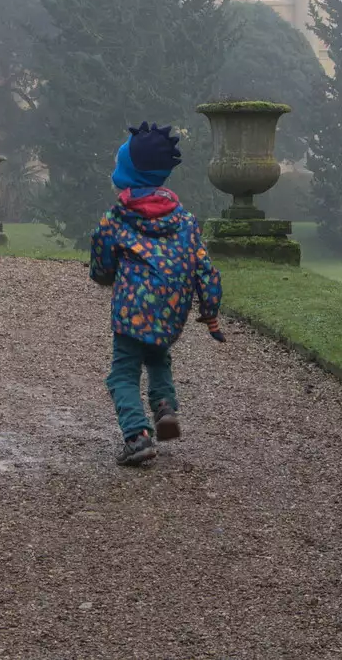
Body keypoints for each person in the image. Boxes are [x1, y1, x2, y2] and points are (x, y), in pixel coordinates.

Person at [89, 122, 226, 467]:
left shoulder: (117, 218)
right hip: (171, 311)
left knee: (122, 374)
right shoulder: (185, 220)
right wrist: (210, 311)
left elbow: (102, 260)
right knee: (158, 357)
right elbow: (205, 268)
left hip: (132, 311)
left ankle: (137, 436)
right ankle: (165, 407)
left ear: (127, 173)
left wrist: (105, 276)